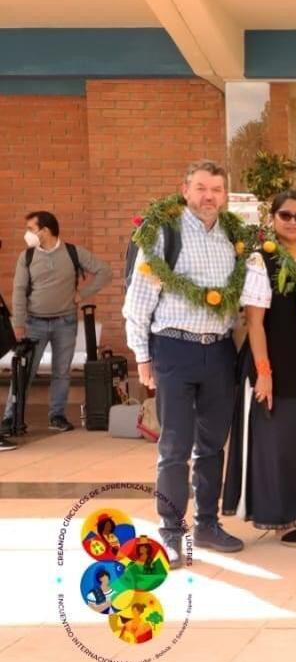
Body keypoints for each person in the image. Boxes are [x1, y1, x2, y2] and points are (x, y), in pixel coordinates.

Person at [123, 160, 246, 567]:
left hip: (219, 352)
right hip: (174, 349)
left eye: (216, 189)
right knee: (174, 446)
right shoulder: (164, 233)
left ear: (225, 195)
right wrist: (142, 357)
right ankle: (171, 532)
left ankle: (207, 525)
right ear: (185, 190)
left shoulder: (232, 236)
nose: (208, 196)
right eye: (200, 188)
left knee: (212, 445)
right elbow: (138, 301)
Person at [224, 190, 296, 547]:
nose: (292, 222)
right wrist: (264, 371)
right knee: (274, 439)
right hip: (275, 357)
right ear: (272, 218)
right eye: (285, 215)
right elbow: (255, 323)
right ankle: (277, 516)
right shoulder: (262, 260)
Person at [3, 210, 113, 436]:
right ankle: (11, 417)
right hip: (34, 324)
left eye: (31, 229)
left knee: (61, 372)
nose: (28, 234)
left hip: (66, 322)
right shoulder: (27, 257)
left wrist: (83, 294)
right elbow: (19, 292)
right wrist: (19, 325)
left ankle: (57, 416)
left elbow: (105, 271)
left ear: (45, 230)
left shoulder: (73, 253)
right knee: (24, 372)